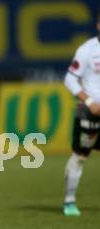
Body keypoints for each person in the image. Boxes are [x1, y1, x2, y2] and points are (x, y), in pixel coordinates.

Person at [63, 12, 100, 216]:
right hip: (90, 114)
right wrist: (89, 101)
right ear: (98, 25)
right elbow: (70, 80)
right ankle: (69, 201)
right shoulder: (87, 50)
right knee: (80, 156)